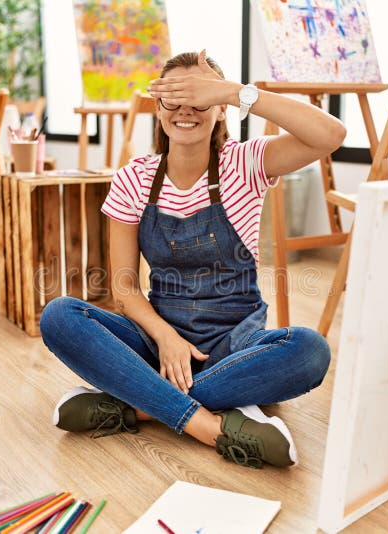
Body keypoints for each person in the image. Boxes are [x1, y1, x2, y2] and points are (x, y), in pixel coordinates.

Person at [40, 50, 346, 469]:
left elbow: (329, 135)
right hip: (155, 342)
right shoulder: (134, 178)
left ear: (221, 110)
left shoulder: (245, 164)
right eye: (173, 98)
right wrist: (165, 338)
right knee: (59, 315)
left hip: (237, 344)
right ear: (158, 107)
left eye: (200, 98)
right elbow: (124, 289)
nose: (186, 110)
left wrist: (234, 91)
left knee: (311, 351)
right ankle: (211, 427)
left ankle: (136, 406)